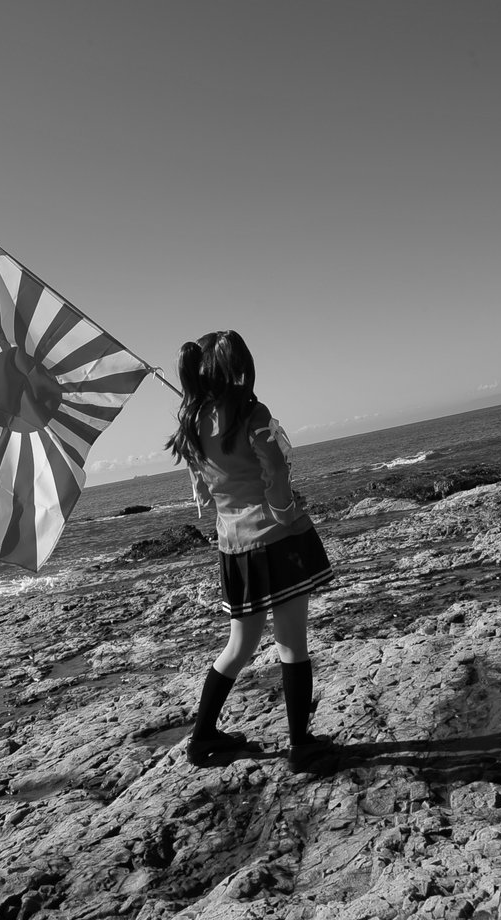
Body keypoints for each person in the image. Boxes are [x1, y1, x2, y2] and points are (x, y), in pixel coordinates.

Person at [166, 330, 334, 771]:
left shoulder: (192, 422)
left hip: (232, 546)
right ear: (237, 369)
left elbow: (204, 490)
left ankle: (202, 737)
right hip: (275, 538)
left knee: (239, 645)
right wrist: (286, 512)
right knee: (292, 643)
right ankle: (301, 746)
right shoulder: (251, 412)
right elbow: (275, 471)